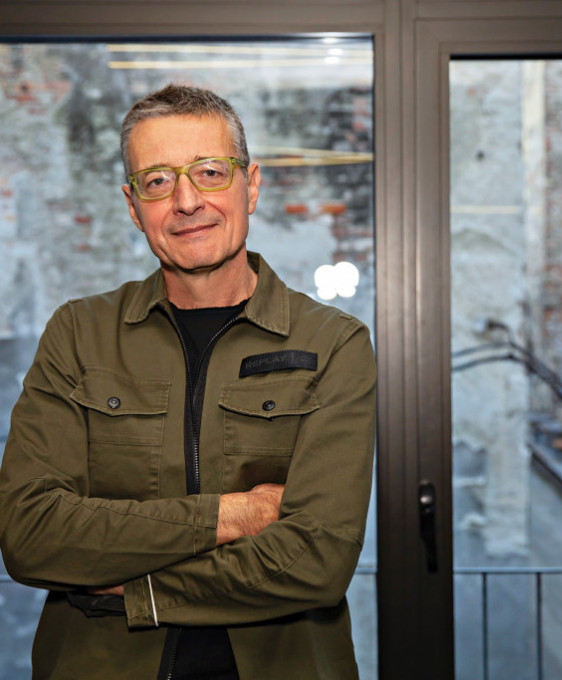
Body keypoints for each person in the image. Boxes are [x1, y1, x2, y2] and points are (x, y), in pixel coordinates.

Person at [0, 84, 376, 680]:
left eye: (209, 172)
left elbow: (318, 560)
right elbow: (30, 534)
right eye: (157, 181)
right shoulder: (78, 334)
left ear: (251, 185)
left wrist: (137, 589)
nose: (186, 201)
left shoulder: (334, 343)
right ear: (133, 206)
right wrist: (235, 515)